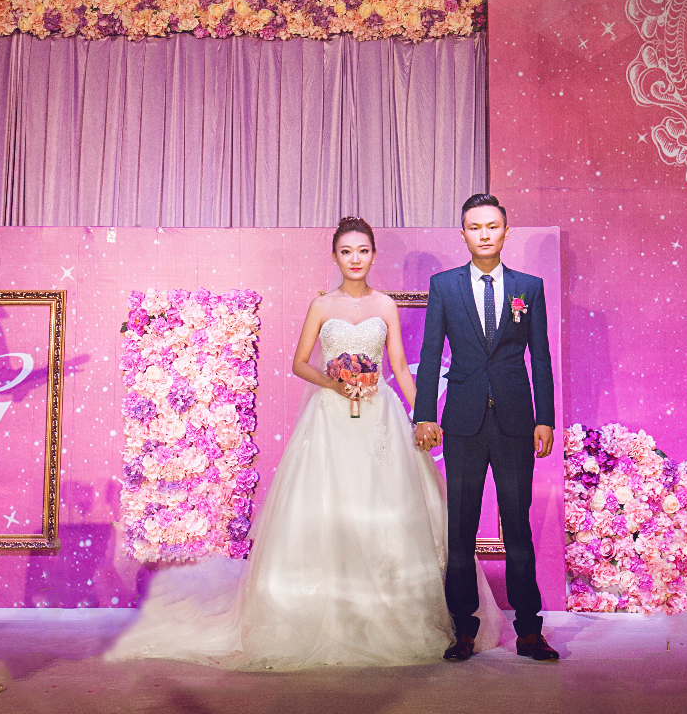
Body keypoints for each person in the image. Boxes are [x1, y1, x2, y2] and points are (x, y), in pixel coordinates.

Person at [106, 216, 502, 670]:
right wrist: (334, 382)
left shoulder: (385, 304)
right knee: (329, 508)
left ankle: (387, 610)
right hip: (331, 416)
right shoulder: (322, 305)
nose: (355, 259)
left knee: (385, 508)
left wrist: (424, 413)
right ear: (335, 256)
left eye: (363, 251)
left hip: (379, 415)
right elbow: (299, 363)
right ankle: (324, 610)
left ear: (373, 255)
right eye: (347, 251)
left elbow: (398, 365)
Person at [414, 193, 559, 662]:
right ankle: (463, 629)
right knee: (461, 528)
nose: (484, 234)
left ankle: (530, 630)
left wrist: (544, 418)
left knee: (517, 526)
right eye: (475, 227)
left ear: (505, 232)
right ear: (463, 234)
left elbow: (540, 357)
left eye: (492, 226)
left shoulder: (528, 287)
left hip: (516, 421)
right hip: (462, 421)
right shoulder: (444, 286)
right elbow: (431, 354)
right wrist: (424, 415)